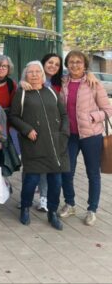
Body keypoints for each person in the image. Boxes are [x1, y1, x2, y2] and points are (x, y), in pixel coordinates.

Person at [9, 61, 69, 230]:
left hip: (55, 145)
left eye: (38, 71)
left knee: (56, 182)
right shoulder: (21, 93)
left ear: (43, 74)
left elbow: (63, 114)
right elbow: (13, 117)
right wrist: (26, 129)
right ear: (25, 75)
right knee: (31, 180)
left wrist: (64, 133)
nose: (34, 74)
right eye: (31, 72)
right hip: (33, 144)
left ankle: (52, 212)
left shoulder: (51, 91)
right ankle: (25, 208)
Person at [59, 50, 112, 226]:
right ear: (67, 65)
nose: (75, 65)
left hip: (91, 136)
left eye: (78, 62)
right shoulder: (63, 82)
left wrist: (92, 118)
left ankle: (92, 209)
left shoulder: (93, 83)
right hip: (70, 135)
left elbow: (108, 110)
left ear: (85, 65)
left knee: (93, 173)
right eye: (71, 62)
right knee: (67, 171)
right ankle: (70, 203)